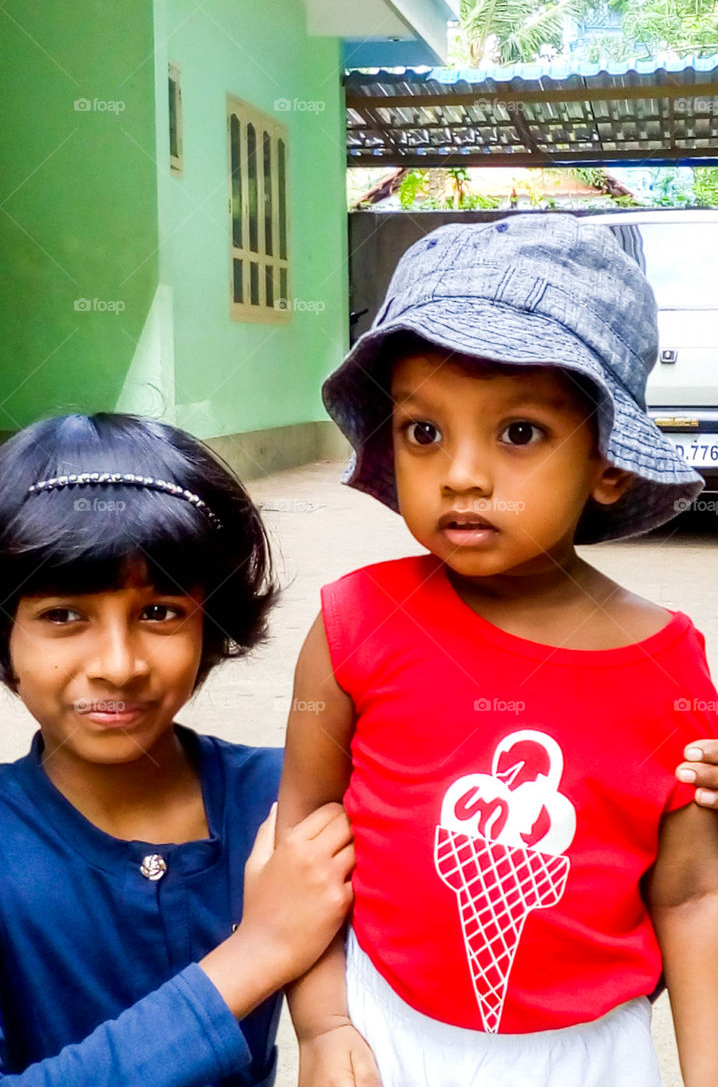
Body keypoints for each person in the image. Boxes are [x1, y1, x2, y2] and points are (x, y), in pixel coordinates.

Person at [278, 214, 718, 1087]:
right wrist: (324, 1026)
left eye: (518, 433)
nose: (461, 474)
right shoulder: (356, 623)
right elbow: (301, 836)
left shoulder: (670, 664)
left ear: (609, 464)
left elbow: (693, 893)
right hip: (382, 1030)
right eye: (423, 431)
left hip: (594, 1054)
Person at [0, 411, 354, 1086]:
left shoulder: (284, 798)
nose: (117, 664)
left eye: (159, 611)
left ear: (210, 622)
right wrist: (259, 952)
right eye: (62, 615)